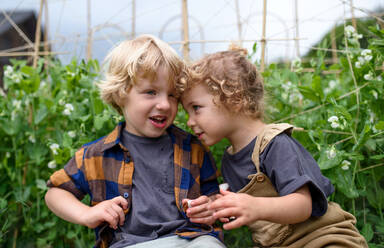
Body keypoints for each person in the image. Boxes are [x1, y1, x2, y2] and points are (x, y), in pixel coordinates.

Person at [45, 34, 225, 248]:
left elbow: (214, 195)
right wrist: (87, 214)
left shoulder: (192, 148)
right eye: (151, 92)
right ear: (121, 94)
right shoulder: (97, 154)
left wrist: (210, 207)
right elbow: (55, 192)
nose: (165, 105)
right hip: (130, 243)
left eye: (172, 95)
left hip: (189, 240)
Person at [181, 48, 368, 247]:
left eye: (196, 108)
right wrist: (215, 207)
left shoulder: (274, 144)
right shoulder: (229, 159)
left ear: (234, 98)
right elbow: (241, 207)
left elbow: (304, 204)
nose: (190, 122)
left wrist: (255, 206)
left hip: (321, 238)